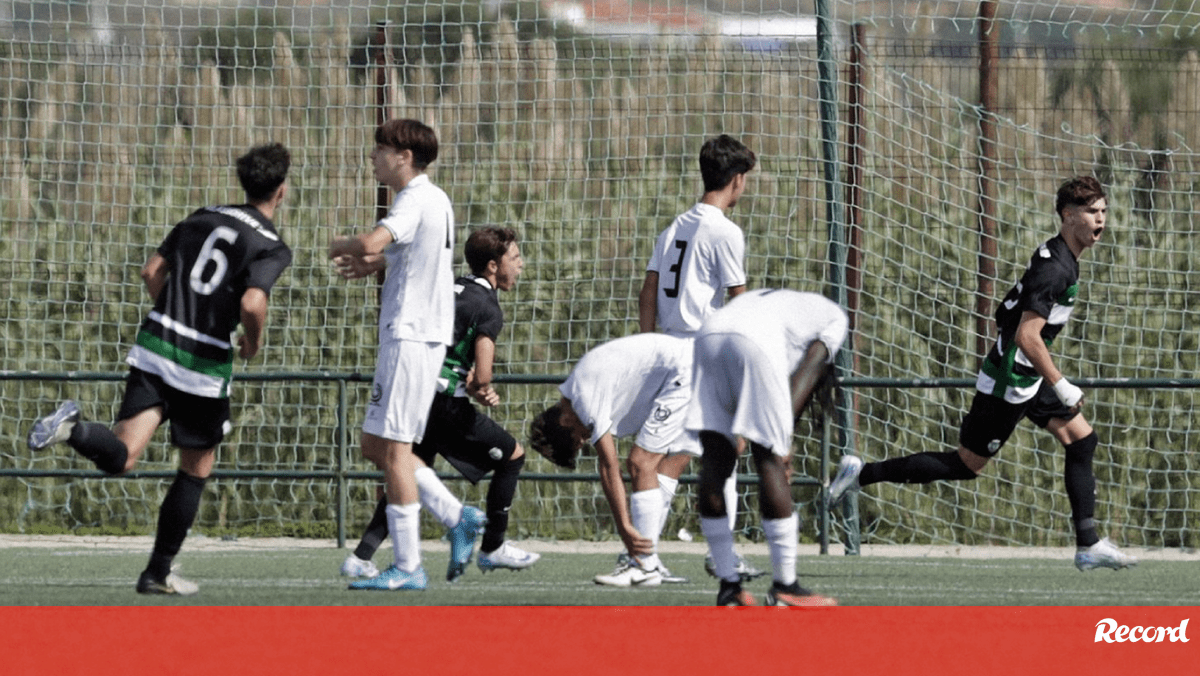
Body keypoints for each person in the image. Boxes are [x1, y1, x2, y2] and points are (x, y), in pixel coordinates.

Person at [828, 175, 1138, 572]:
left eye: (1104, 211)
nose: (1101, 220)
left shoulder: (1061, 258)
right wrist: (1061, 384)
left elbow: (1011, 320)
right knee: (966, 465)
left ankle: (1088, 545)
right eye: (1092, 212)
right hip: (1012, 378)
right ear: (1067, 215)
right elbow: (1028, 335)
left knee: (1081, 440)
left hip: (1025, 372)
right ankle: (860, 474)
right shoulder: (1056, 269)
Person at [26, 142, 294, 596]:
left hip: (155, 347)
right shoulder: (270, 245)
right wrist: (252, 342)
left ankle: (73, 430)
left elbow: (152, 272)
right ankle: (157, 572)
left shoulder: (200, 216)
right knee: (196, 466)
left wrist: (173, 315)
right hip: (202, 367)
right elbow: (252, 300)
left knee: (124, 455)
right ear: (281, 191)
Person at [335, 226, 538, 581]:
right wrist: (480, 385)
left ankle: (362, 555)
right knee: (513, 455)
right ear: (493, 266)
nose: (520, 266)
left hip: (416, 390)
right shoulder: (488, 307)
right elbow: (484, 371)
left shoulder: (450, 286)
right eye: (515, 258)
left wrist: (471, 382)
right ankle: (492, 546)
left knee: (407, 468)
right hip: (444, 403)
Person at [329, 119, 480, 592]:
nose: (372, 156)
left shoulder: (414, 197)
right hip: (414, 334)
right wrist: (376, 264)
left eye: (380, 149)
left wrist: (343, 246)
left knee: (395, 450)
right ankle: (458, 516)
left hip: (412, 335)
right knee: (375, 446)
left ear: (404, 157)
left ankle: (409, 564)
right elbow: (412, 255)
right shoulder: (432, 198)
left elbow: (375, 240)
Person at [637, 132, 763, 582]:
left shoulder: (674, 227)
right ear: (736, 180)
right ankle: (640, 556)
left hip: (668, 347)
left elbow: (649, 288)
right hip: (701, 351)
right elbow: (740, 304)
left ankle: (664, 552)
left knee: (687, 453)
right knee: (686, 452)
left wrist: (645, 343)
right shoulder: (725, 232)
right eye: (746, 178)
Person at [688, 288, 847, 606]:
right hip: (753, 341)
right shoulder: (837, 320)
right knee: (768, 459)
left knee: (716, 460)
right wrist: (781, 446)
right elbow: (808, 371)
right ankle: (786, 586)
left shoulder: (787, 305)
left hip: (707, 337)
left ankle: (729, 589)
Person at [529, 333, 699, 587]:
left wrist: (624, 529)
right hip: (691, 364)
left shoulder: (584, 398)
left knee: (640, 463)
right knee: (670, 462)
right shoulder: (577, 393)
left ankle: (643, 564)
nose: (584, 441)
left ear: (565, 421)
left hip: (684, 371)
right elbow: (605, 465)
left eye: (577, 440)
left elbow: (610, 466)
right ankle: (647, 560)